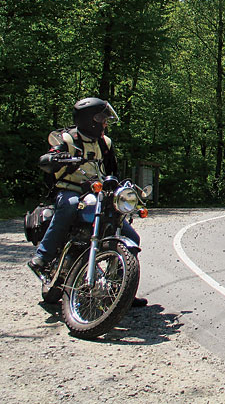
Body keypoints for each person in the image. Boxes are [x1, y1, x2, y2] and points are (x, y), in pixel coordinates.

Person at [29, 97, 147, 307]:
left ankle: (122, 290)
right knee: (69, 206)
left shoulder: (105, 142)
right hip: (69, 189)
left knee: (130, 235)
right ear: (89, 119)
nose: (105, 123)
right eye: (102, 118)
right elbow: (49, 157)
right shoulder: (67, 138)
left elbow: (112, 172)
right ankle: (43, 257)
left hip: (98, 194)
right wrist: (52, 159)